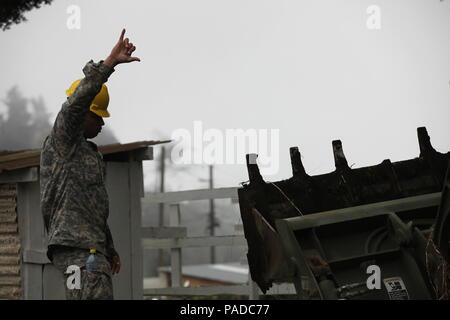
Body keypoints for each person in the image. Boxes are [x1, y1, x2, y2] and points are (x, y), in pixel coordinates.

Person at [40, 29, 140, 299]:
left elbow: (91, 207)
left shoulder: (87, 153)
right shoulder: (63, 140)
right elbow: (75, 104)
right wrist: (109, 63)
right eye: (98, 116)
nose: (102, 123)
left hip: (90, 250)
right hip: (79, 251)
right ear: (84, 114)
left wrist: (108, 246)